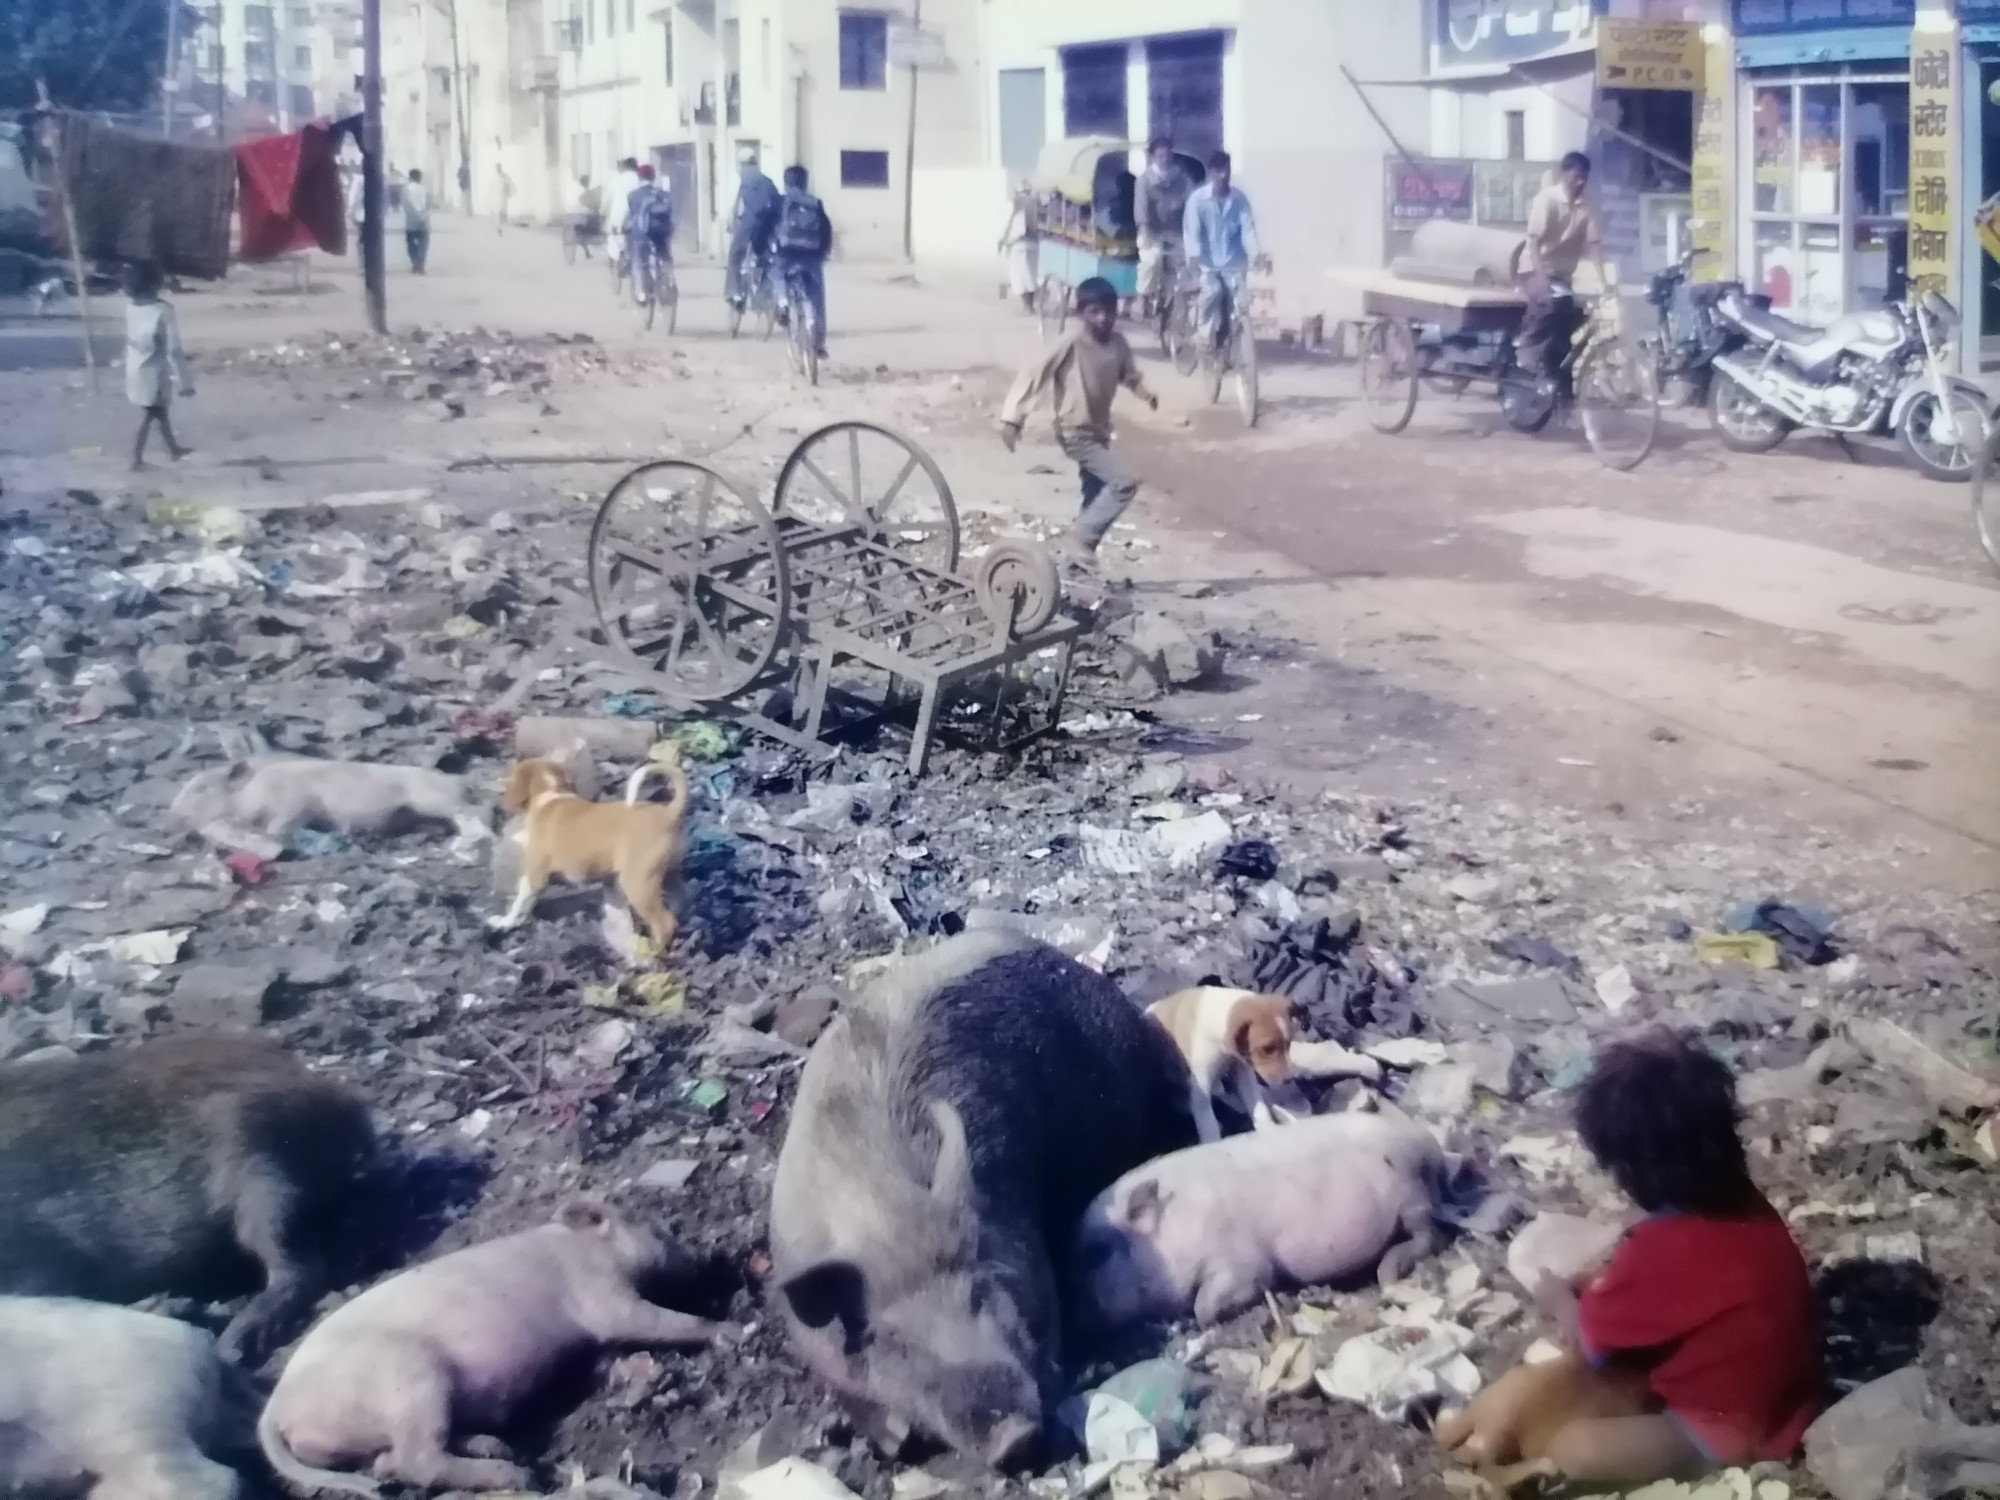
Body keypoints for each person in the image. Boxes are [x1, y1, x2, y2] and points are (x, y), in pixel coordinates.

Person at [1530, 1030, 1819, 1487]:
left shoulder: (1667, 1249)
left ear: (1630, 1170)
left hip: (1729, 1427)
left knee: (1575, 1449)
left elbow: (1593, 1346)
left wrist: (1557, 1298)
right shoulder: (1744, 1204)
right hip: (1785, 1395)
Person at [997, 276, 1159, 577]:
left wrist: (1146, 394)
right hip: (1074, 432)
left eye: (1109, 311)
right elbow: (1034, 374)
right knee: (1124, 482)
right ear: (1082, 313)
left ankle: (1075, 572)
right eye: (1095, 312)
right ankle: (1080, 542)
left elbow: (1128, 374)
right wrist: (1012, 418)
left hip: (1099, 432)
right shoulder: (1070, 343)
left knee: (1095, 497)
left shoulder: (1118, 343)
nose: (1103, 319)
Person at [1518, 150, 1606, 388]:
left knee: (1573, 318)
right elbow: (1534, 242)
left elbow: (1594, 245)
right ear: (1563, 174)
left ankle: (1563, 390)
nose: (1580, 183)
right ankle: (1525, 350)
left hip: (1563, 276)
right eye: (1575, 177)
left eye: (1584, 178)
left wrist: (1605, 284)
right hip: (1533, 270)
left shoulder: (1587, 206)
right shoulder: (1547, 200)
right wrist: (1540, 275)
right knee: (1548, 301)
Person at [1183, 149, 1263, 351]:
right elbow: (1192, 233)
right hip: (1206, 263)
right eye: (1218, 171)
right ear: (1211, 173)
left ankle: (1238, 348)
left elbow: (1248, 231)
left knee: (1241, 305)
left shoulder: (1239, 200)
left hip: (1234, 262)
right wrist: (1193, 259)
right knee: (1212, 292)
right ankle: (1203, 335)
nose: (1223, 176)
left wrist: (1256, 254)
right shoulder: (1198, 200)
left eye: (1226, 171)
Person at [124, 261, 193, 471]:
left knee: (160, 411)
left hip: (135, 369)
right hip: (153, 373)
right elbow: (174, 349)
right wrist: (185, 382)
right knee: (148, 414)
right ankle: (135, 460)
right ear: (156, 283)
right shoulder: (163, 310)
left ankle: (173, 449)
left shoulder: (131, 308)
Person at [771, 164, 832, 357]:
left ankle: (782, 304)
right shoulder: (815, 203)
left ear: (786, 182)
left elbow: (766, 227)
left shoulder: (781, 202)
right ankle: (819, 344)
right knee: (817, 298)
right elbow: (826, 231)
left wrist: (763, 247)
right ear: (805, 182)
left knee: (776, 274)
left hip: (787, 255)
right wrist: (822, 253)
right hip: (812, 257)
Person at [1134, 137, 1192, 314]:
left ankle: (1185, 310)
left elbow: (1191, 204)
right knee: (1152, 260)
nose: (1165, 159)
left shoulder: (1182, 179)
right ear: (1153, 157)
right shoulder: (1144, 180)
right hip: (1152, 232)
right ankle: (1142, 297)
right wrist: (1144, 228)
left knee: (1189, 264)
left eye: (1168, 156)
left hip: (1176, 232)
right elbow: (1141, 208)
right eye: (1160, 156)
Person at [725, 155, 781, 310]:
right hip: (768, 226)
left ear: (742, 164)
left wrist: (731, 224)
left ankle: (734, 292)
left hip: (749, 225)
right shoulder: (767, 181)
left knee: (735, 257)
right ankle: (764, 289)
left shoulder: (745, 180)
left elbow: (737, 207)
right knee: (764, 257)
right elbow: (778, 203)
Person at [626, 163, 674, 300]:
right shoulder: (662, 194)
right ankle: (669, 278)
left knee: (640, 260)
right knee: (665, 256)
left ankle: (642, 293)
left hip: (643, 233)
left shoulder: (633, 196)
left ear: (639, 177)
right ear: (653, 177)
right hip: (661, 232)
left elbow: (632, 215)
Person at [998, 179, 1038, 313]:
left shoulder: (1014, 203)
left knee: (1018, 277)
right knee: (1031, 275)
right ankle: (1030, 305)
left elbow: (1007, 223)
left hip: (1018, 243)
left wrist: (1002, 240)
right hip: (1035, 243)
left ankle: (1028, 307)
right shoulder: (1036, 202)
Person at [608, 156, 641, 276]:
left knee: (614, 238)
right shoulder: (639, 179)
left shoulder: (617, 179)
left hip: (619, 215)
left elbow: (607, 198)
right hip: (637, 215)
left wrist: (602, 211)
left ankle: (619, 259)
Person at [401, 168, 431, 273]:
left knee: (411, 243)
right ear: (420, 178)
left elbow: (404, 204)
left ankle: (415, 263)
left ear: (410, 177)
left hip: (411, 220)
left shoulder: (406, 189)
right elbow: (429, 204)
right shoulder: (425, 189)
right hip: (424, 220)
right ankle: (421, 263)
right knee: (423, 243)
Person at [570, 174, 602, 258]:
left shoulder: (581, 195)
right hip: (595, 221)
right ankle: (587, 252)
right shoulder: (594, 193)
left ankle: (586, 251)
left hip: (586, 223)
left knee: (578, 227)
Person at [494, 163, 514, 234]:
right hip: (501, 194)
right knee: (502, 206)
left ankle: (503, 220)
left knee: (504, 206)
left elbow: (507, 184)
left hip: (504, 193)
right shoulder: (500, 176)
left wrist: (508, 192)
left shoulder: (504, 176)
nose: (497, 170)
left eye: (498, 168)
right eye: (497, 168)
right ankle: (502, 219)